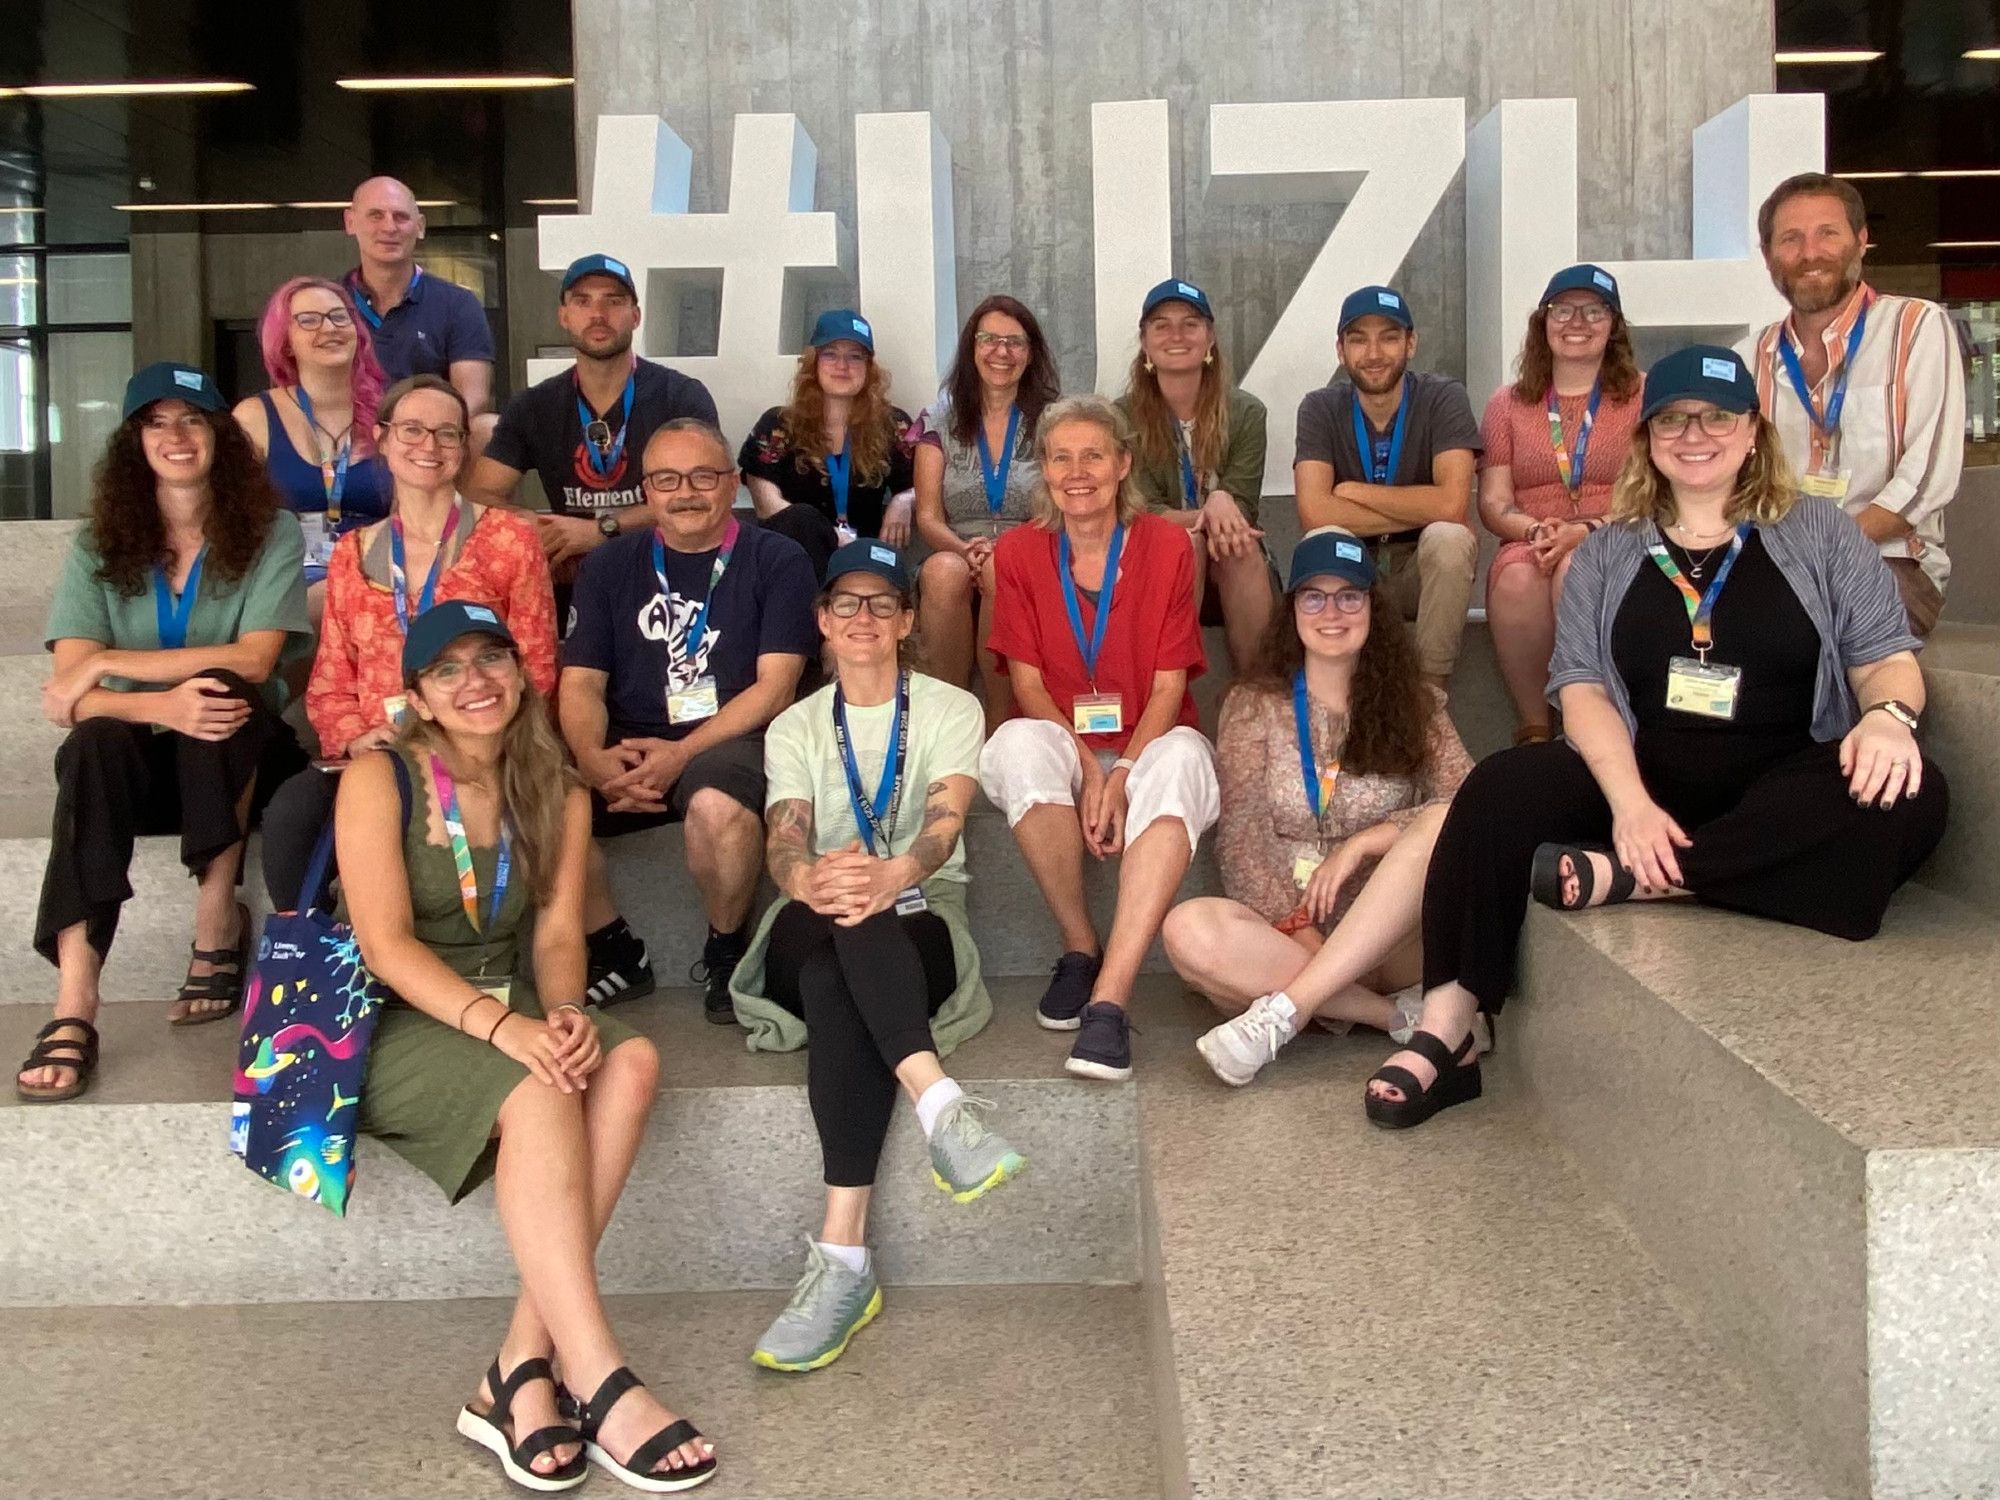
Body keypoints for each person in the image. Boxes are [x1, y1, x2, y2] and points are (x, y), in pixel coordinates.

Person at [1398, 346, 1949, 1132]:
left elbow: (1885, 656)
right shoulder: (1613, 545)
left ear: (1753, 431)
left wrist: (1888, 719)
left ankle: (1661, 874)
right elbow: (1580, 686)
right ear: (1648, 437)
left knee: (1914, 793)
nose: (1696, 434)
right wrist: (1626, 803)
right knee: (1498, 789)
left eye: (1717, 416)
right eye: (1674, 419)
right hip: (1643, 769)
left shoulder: (1820, 533)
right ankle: (1449, 1023)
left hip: (1782, 779)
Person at [336, 600, 716, 1492]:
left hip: (508, 997)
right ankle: (596, 1375)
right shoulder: (379, 781)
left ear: (520, 672)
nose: (476, 682)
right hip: (396, 1015)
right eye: (449, 670)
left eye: (492, 659)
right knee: (540, 1080)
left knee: (626, 1058)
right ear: (420, 697)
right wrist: (512, 1029)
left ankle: (516, 1365)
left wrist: (564, 1008)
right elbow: (386, 946)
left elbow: (553, 934)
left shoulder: (556, 788)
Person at [723, 540, 1022, 1372]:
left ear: (908, 621)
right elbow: (783, 839)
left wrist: (894, 873)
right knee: (841, 915)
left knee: (839, 971)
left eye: (881, 603)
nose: (863, 618)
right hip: (809, 912)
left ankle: (842, 1260)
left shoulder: (951, 708)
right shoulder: (793, 724)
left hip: (921, 912)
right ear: (821, 621)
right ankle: (940, 1109)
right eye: (846, 603)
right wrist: (812, 877)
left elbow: (945, 821)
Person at [17, 363, 311, 1102]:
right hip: (140, 765)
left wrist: (115, 665)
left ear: (219, 433)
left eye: (192, 419)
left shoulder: (269, 530)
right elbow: (69, 702)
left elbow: (257, 657)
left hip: (246, 763)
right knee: (91, 746)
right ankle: (76, 999)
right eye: (156, 422)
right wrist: (158, 707)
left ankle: (217, 910)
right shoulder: (99, 544)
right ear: (133, 441)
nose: (176, 436)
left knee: (224, 691)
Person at [260, 376, 584, 969]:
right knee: (292, 814)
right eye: (411, 429)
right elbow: (331, 680)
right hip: (380, 752)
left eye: (447, 432)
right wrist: (359, 737)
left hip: (485, 742)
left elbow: (536, 664)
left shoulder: (511, 538)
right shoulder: (352, 553)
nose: (428, 445)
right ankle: (323, 970)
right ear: (381, 440)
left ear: (465, 447)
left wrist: (467, 735)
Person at [1162, 527, 1474, 1087]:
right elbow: (1243, 837)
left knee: (1443, 822)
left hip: (1395, 937)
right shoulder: (1253, 706)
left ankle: (1290, 1008)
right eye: (1314, 596)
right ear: (1293, 610)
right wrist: (1300, 929)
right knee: (1189, 928)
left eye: (1349, 596)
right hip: (1282, 937)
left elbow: (1468, 799)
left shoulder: (1418, 705)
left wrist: (1366, 842)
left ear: (1373, 608)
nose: (1333, 612)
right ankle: (1392, 1018)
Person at [979, 394, 1218, 1083]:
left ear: (1122, 464)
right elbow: (1026, 685)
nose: (1076, 472)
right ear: (1044, 471)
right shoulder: (1020, 551)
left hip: (1152, 734)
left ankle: (1110, 999)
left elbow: (1171, 689)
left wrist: (1120, 774)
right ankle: (1079, 947)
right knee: (1020, 743)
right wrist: (1089, 768)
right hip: (1065, 736)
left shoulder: (1168, 544)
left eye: (1093, 455)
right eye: (1060, 457)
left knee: (1178, 761)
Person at [560, 418, 819, 1022]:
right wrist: (592, 758)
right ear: (646, 493)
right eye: (668, 478)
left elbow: (775, 687)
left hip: (734, 740)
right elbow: (580, 685)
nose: (686, 492)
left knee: (717, 807)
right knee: (533, 798)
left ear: (733, 485)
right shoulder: (608, 567)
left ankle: (727, 947)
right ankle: (615, 949)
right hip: (625, 750)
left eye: (703, 475)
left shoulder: (777, 558)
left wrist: (680, 754)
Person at [1743, 172, 1966, 637]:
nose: (1810, 253)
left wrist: (1823, 549)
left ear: (1861, 241)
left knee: (1793, 623)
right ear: (1767, 257)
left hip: (1891, 564)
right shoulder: (1751, 357)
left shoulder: (1917, 327)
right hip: (1777, 567)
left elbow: (1926, 480)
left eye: (1828, 233)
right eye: (1791, 239)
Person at [468, 255, 718, 603]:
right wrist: (536, 528)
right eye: (582, 301)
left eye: (613, 301)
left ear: (636, 315)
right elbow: (480, 494)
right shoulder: (534, 406)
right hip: (571, 571)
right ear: (564, 316)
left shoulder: (680, 396)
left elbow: (703, 493)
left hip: (664, 565)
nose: (598, 314)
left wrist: (601, 530)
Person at [1478, 265, 1644, 743]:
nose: (1577, 322)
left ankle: (1588, 720)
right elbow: (1493, 501)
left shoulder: (1643, 395)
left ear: (1613, 325)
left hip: (1618, 534)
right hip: (1531, 537)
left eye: (1594, 311)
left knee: (1577, 568)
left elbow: (1656, 496)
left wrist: (1587, 529)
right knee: (1514, 578)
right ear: (1542, 322)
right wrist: (1534, 530)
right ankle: (1534, 725)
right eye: (1563, 309)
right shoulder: (1506, 403)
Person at [1293, 285, 1482, 691]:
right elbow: (1314, 513)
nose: (1374, 353)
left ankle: (1430, 697)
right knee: (1327, 537)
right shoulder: (1319, 407)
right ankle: (1337, 695)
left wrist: (1355, 492)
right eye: (1359, 339)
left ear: (1411, 343)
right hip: (1355, 573)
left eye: (1389, 337)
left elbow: (1452, 505)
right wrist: (1417, 504)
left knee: (1449, 538)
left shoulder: (1443, 397)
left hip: (1419, 570)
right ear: (1341, 350)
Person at [912, 295, 1061, 723]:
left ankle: (999, 721)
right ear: (971, 347)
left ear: (1030, 354)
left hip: (1032, 546)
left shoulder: (1053, 418)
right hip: (954, 544)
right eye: (989, 339)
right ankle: (951, 722)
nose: (1001, 352)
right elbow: (927, 517)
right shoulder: (938, 419)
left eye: (1015, 342)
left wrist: (1008, 548)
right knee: (941, 573)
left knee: (1002, 566)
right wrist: (963, 550)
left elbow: (1063, 502)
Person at [1116, 277, 1273, 672]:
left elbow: (1244, 512)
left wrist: (1225, 501)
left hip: (1231, 560)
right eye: (1161, 325)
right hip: (1151, 556)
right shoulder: (1121, 417)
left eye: (1190, 323)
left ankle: (1256, 698)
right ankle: (1169, 697)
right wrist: (1212, 510)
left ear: (1210, 337)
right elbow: (1141, 509)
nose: (1176, 335)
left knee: (1241, 547)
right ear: (1145, 341)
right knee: (1187, 544)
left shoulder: (1247, 413)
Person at [232, 276, 393, 616]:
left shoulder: (392, 412)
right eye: (308, 320)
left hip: (376, 567)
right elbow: (235, 518)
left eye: (339, 316)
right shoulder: (254, 416)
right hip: (285, 569)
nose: (329, 328)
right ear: (285, 340)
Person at [738, 309, 916, 582]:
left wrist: (904, 499)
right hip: (795, 558)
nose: (842, 365)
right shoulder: (779, 424)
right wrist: (828, 536)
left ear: (869, 368)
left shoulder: (893, 425)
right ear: (814, 363)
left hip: (864, 555)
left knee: (879, 568)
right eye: (831, 354)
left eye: (855, 356)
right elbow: (766, 505)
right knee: (803, 519)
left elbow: (927, 481)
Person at [342, 175, 495, 418]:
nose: (389, 227)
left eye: (401, 217)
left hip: (426, 441)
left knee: (485, 427)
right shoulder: (329, 304)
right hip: (345, 442)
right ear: (350, 221)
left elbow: (472, 402)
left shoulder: (458, 305)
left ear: (420, 226)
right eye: (375, 215)